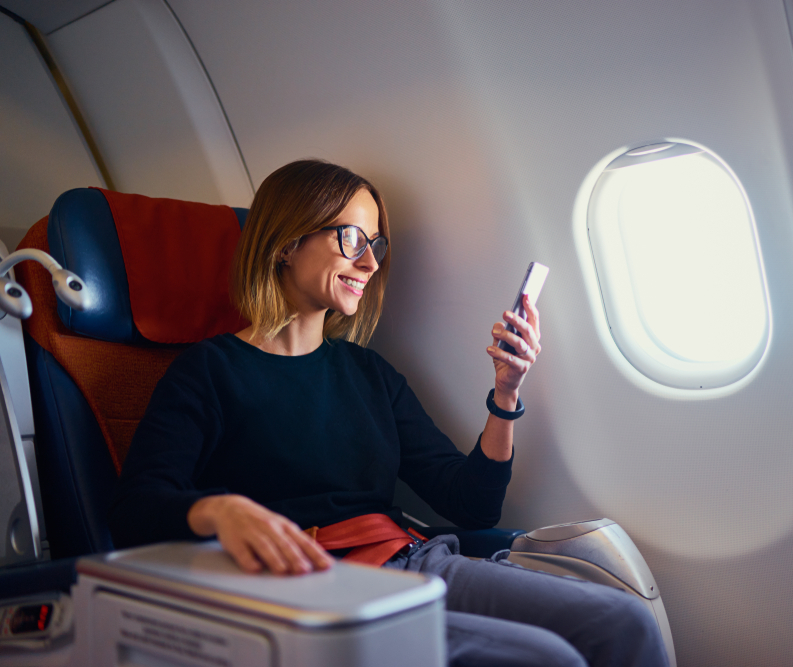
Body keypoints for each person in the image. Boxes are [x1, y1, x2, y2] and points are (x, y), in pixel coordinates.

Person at [110, 159, 670, 667]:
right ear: (285, 243)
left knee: (622, 621)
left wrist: (506, 391)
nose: (370, 262)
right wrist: (219, 512)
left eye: (376, 244)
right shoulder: (208, 371)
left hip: (412, 560)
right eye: (352, 238)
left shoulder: (368, 374)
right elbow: (136, 508)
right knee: (548, 659)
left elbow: (471, 504)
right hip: (308, 585)